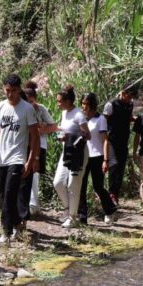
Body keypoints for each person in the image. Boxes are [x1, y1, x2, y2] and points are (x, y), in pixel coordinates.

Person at [0, 74, 39, 245]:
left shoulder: (27, 109)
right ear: (4, 89)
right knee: (4, 195)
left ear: (19, 91)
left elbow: (34, 137)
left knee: (9, 194)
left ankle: (6, 232)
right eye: (7, 90)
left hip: (18, 158)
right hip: (1, 158)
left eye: (14, 91)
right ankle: (18, 223)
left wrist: (31, 160)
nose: (10, 94)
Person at [77, 93, 118, 224]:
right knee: (81, 185)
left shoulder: (100, 119)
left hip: (97, 156)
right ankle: (82, 216)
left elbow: (105, 140)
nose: (85, 106)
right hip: (84, 155)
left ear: (93, 104)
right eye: (83, 103)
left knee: (98, 186)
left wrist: (106, 160)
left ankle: (110, 210)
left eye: (87, 104)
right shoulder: (81, 118)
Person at [53, 85, 90, 228]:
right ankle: (68, 210)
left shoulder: (79, 115)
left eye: (59, 101)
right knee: (58, 183)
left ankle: (73, 217)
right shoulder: (64, 113)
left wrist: (68, 137)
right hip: (67, 152)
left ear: (68, 101)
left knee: (73, 185)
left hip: (79, 154)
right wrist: (61, 135)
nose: (58, 104)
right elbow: (63, 130)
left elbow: (88, 135)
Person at [21, 81, 57, 217]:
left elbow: (53, 126)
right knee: (25, 172)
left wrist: (41, 129)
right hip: (25, 144)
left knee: (34, 174)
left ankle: (33, 205)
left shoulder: (40, 109)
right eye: (27, 101)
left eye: (32, 101)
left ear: (35, 99)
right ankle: (26, 205)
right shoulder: (22, 108)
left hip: (39, 144)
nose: (30, 104)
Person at [103, 83, 138, 205]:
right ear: (123, 93)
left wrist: (135, 119)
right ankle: (111, 194)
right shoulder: (110, 105)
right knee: (113, 166)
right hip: (111, 141)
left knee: (121, 169)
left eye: (132, 97)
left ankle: (115, 195)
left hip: (124, 141)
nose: (130, 99)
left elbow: (127, 118)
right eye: (129, 96)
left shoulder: (130, 104)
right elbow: (104, 122)